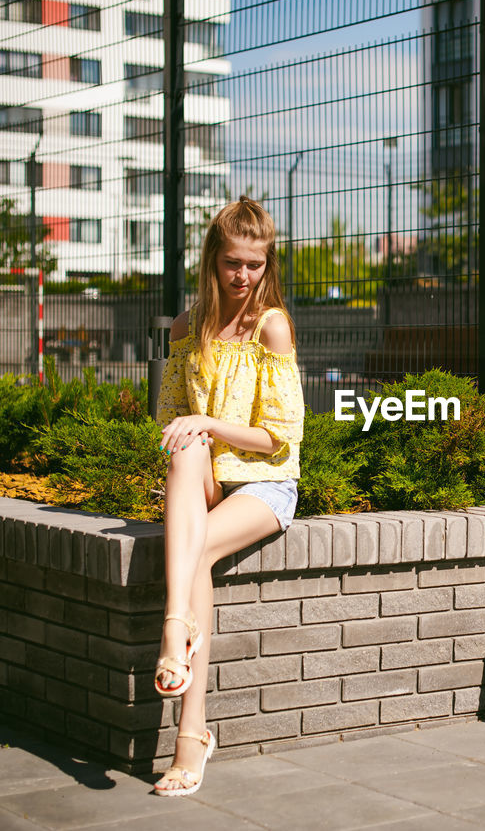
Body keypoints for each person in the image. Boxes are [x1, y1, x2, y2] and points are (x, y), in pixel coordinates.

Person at [150, 197, 303, 797]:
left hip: (265, 482)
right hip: (204, 478)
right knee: (183, 444)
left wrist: (209, 426)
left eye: (255, 265)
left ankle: (191, 730)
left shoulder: (272, 326)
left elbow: (280, 437)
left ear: (267, 266)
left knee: (194, 557)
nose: (243, 277)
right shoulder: (188, 330)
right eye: (233, 263)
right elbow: (170, 419)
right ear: (213, 260)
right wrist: (197, 431)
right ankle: (179, 649)